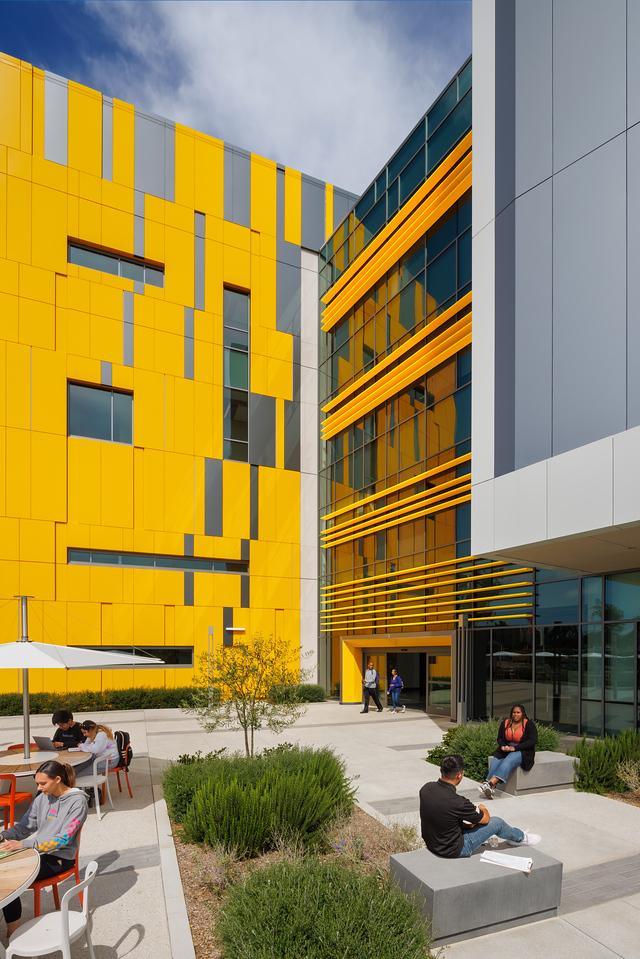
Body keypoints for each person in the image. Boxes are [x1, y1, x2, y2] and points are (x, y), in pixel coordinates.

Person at [0, 760, 88, 939]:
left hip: (60, 858)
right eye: (37, 784)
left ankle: (13, 930)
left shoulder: (78, 802)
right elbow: (24, 827)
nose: (39, 788)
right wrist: (3, 836)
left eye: (43, 783)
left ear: (57, 779)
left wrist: (24, 845)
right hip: (37, 853)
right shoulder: (42, 798)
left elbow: (63, 839)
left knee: (7, 878)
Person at [419, 754, 541, 858]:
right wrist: (483, 808)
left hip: (432, 844)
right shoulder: (458, 802)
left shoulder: (426, 788)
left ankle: (512, 835)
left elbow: (441, 815)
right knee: (497, 822)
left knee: (472, 823)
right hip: (455, 850)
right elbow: (485, 819)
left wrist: (468, 824)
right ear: (460, 775)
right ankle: (520, 838)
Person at [479, 704, 538, 799]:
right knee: (495, 761)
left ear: (522, 713)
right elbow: (500, 738)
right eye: (514, 712)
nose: (515, 714)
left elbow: (532, 741)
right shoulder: (506, 722)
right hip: (506, 749)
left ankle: (490, 783)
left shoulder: (529, 724)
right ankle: (491, 787)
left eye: (518, 712)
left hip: (523, 750)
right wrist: (503, 746)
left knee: (509, 759)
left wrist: (515, 748)